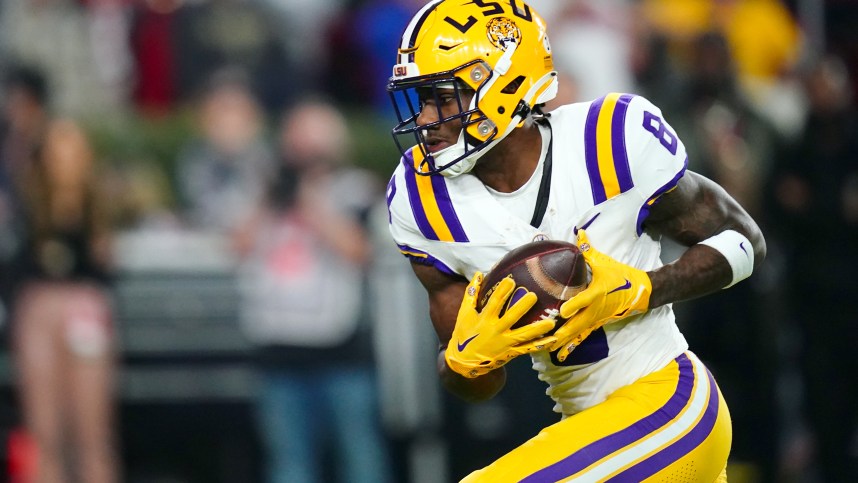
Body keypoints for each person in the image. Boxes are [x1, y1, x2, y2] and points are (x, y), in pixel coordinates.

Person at [383, 1, 766, 481]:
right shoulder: (422, 201)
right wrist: (467, 358)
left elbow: (746, 241)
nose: (427, 119)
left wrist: (644, 288)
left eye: (444, 97)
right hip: (587, 429)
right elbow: (478, 383)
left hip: (671, 400)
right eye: (421, 100)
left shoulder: (607, 140)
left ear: (502, 87)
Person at [235, 99, 393, 483]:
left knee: (359, 459)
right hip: (278, 349)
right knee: (289, 463)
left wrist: (311, 199)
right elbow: (237, 245)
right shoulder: (262, 192)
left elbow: (358, 250)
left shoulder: (354, 188)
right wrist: (269, 196)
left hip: (341, 352)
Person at [9, 118, 120, 483]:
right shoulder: (26, 205)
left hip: (85, 310)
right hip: (40, 308)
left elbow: (105, 270)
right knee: (44, 431)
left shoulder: (98, 205)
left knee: (92, 430)